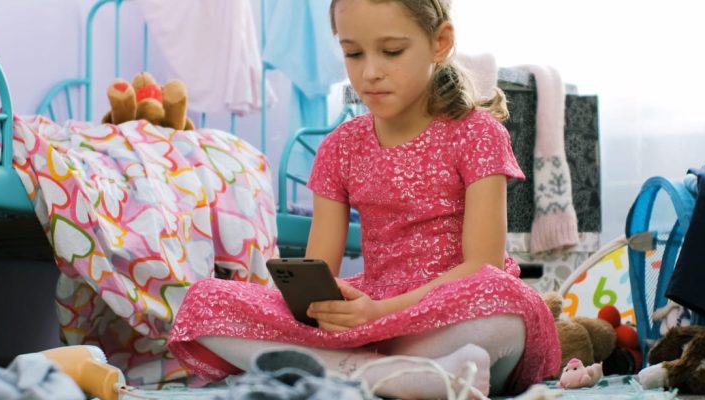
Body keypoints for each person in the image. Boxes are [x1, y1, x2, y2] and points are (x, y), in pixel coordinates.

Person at [167, 0, 560, 397]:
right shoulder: (340, 147)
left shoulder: (477, 134)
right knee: (203, 300)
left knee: (503, 305)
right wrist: (328, 309)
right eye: (353, 53)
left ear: (440, 43)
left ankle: (352, 371)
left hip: (456, 311)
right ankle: (395, 376)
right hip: (371, 323)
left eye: (391, 52)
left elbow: (482, 266)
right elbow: (319, 271)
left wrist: (382, 312)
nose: (369, 72)